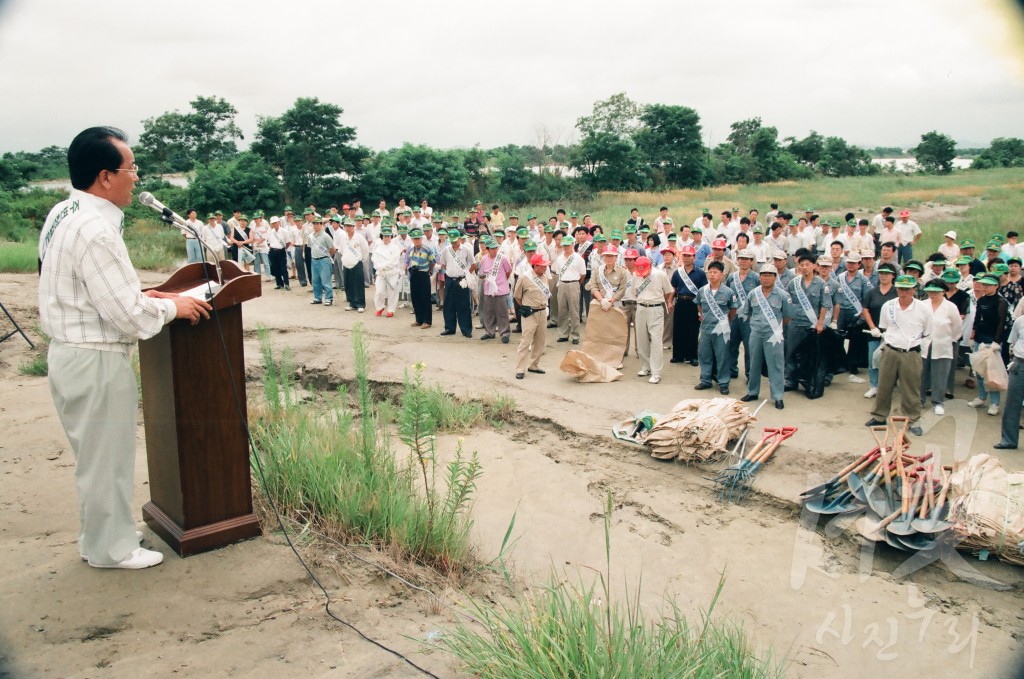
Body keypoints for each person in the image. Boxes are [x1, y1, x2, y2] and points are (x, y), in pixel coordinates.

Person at [38, 126, 212, 569]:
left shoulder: (65, 211)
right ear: (105, 177)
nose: (136, 177)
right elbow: (128, 318)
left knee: (96, 456)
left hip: (72, 354)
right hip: (93, 358)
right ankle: (109, 551)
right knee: (105, 458)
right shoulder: (96, 230)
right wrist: (178, 309)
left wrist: (150, 295)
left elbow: (101, 293)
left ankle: (101, 534)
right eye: (131, 169)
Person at [865, 275, 933, 436]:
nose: (903, 292)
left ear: (914, 290)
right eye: (901, 288)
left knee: (911, 388)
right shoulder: (888, 306)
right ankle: (879, 416)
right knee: (884, 385)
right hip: (890, 350)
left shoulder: (923, 309)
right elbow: (884, 327)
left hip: (911, 353)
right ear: (897, 289)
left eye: (907, 289)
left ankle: (913, 419)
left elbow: (928, 332)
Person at [739, 264, 792, 410]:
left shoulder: (782, 295)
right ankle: (752, 392)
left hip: (773, 335)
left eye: (770, 275)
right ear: (759, 277)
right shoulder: (753, 293)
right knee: (754, 362)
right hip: (756, 333)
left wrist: (774, 327)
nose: (766, 278)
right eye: (763, 275)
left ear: (775, 277)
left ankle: (777, 396)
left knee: (776, 365)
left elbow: (787, 317)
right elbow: (748, 312)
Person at [920, 280, 963, 416]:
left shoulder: (951, 307)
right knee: (921, 374)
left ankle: (938, 402)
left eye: (936, 292)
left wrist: (949, 339)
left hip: (943, 344)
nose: (932, 294)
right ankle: (919, 399)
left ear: (943, 292)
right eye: (930, 291)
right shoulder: (922, 305)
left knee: (940, 375)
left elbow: (957, 329)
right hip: (924, 343)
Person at [695, 260, 738, 394]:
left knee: (722, 356)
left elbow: (733, 310)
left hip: (721, 329)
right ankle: (705, 380)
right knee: (704, 355)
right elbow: (699, 306)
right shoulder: (703, 291)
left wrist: (725, 321)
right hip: (706, 328)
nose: (712, 275)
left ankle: (723, 382)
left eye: (715, 272)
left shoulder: (728, 292)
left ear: (722, 274)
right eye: (710, 272)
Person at [968, 274, 1007, 415]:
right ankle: (981, 397)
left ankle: (995, 403)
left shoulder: (1001, 302)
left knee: (992, 374)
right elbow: (977, 319)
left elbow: (1001, 323)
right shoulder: (982, 300)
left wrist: (996, 341)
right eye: (984, 285)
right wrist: (973, 335)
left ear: (996, 286)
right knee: (979, 371)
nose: (985, 287)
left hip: (992, 341)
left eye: (988, 285)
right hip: (980, 338)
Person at [631, 256, 674, 384]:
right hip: (640, 307)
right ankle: (646, 367)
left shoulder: (660, 275)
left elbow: (668, 291)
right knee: (641, 338)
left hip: (655, 308)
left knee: (656, 340)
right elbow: (634, 291)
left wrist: (657, 299)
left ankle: (656, 372)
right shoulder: (635, 275)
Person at [861, 264, 899, 397]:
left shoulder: (897, 292)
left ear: (893, 275)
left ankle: (887, 387)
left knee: (889, 361)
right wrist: (872, 327)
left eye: (887, 273)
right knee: (873, 359)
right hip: (874, 331)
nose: (883, 276)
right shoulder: (872, 292)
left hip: (892, 333)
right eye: (881, 273)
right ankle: (874, 386)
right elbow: (865, 309)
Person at [514, 254, 552, 379]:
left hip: (542, 311)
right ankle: (520, 368)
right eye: (543, 266)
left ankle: (534, 365)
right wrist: (526, 306)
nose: (545, 268)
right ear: (535, 266)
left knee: (540, 341)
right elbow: (517, 296)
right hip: (530, 313)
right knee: (526, 341)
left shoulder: (544, 277)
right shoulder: (524, 278)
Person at [669, 245, 707, 365]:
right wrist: (670, 302)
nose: (686, 258)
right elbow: (673, 289)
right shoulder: (677, 273)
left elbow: (703, 291)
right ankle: (678, 355)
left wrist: (701, 307)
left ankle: (692, 356)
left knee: (693, 330)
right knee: (678, 329)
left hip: (694, 303)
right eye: (684, 255)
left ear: (694, 258)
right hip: (680, 302)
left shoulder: (700, 273)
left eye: (689, 256)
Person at [727, 249, 759, 379]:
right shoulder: (731, 277)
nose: (743, 261)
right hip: (734, 317)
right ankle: (731, 369)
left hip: (749, 318)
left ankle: (750, 373)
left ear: (751, 262)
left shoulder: (756, 277)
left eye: (746, 259)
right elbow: (728, 294)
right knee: (731, 345)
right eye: (741, 258)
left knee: (749, 347)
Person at [994, 314, 1024, 449]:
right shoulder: (1020, 321)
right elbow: (1013, 341)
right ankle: (1009, 440)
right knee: (1013, 402)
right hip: (1020, 364)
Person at [439, 229, 475, 337]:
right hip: (450, 279)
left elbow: (473, 264)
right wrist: (451, 271)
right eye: (452, 241)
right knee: (448, 304)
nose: (454, 243)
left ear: (460, 238)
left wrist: (467, 274)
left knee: (464, 305)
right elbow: (444, 264)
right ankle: (450, 328)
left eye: (455, 241)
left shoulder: (466, 249)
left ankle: (466, 329)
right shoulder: (446, 250)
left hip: (462, 279)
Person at [553, 235, 587, 344]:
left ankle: (575, 335)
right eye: (564, 245)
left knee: (574, 311)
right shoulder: (559, 259)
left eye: (568, 245)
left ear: (573, 245)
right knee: (562, 310)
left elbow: (583, 274)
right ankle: (563, 334)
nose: (566, 247)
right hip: (562, 284)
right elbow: (558, 273)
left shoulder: (578, 258)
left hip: (574, 284)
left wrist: (575, 283)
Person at [479, 239, 513, 343]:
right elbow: (482, 273)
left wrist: (501, 281)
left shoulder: (502, 258)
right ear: (488, 249)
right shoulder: (484, 259)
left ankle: (504, 333)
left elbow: (508, 271)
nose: (494, 250)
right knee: (488, 312)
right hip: (488, 288)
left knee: (502, 312)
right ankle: (489, 332)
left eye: (496, 248)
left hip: (500, 288)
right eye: (492, 248)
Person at [335, 219, 369, 311]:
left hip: (356, 263)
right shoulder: (343, 238)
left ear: (353, 227)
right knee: (348, 283)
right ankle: (352, 303)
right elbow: (341, 250)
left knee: (358, 284)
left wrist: (360, 259)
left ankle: (360, 304)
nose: (348, 228)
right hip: (346, 264)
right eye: (346, 226)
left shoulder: (359, 237)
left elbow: (365, 250)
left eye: (350, 226)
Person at [406, 228, 436, 329]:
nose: (417, 240)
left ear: (421, 238)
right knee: (415, 297)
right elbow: (408, 261)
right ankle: (419, 319)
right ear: (412, 240)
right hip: (414, 275)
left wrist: (428, 271)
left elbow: (432, 262)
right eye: (415, 239)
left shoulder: (427, 249)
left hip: (423, 274)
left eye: (418, 238)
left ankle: (427, 321)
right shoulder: (410, 249)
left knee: (425, 298)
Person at [371, 226, 402, 317]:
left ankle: (391, 310)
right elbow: (374, 259)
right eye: (385, 236)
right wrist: (379, 267)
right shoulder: (378, 248)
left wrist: (384, 267)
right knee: (379, 291)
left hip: (392, 272)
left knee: (392, 292)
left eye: (388, 236)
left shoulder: (395, 248)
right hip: (381, 273)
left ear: (391, 237)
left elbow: (394, 261)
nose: (386, 238)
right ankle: (380, 307)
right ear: (382, 237)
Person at [307, 216, 335, 306]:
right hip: (314, 260)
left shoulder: (326, 236)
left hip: (324, 260)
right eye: (314, 224)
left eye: (317, 224)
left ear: (321, 225)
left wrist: (327, 257)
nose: (315, 226)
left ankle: (328, 298)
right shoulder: (311, 236)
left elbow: (332, 249)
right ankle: (317, 298)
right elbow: (311, 247)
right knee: (315, 280)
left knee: (326, 280)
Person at [266, 216, 291, 290]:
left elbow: (288, 242)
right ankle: (279, 284)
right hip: (272, 251)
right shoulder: (270, 231)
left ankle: (286, 284)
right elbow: (268, 242)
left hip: (281, 251)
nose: (275, 224)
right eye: (273, 223)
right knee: (275, 268)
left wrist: (284, 248)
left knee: (283, 268)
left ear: (279, 223)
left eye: (276, 223)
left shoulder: (284, 231)